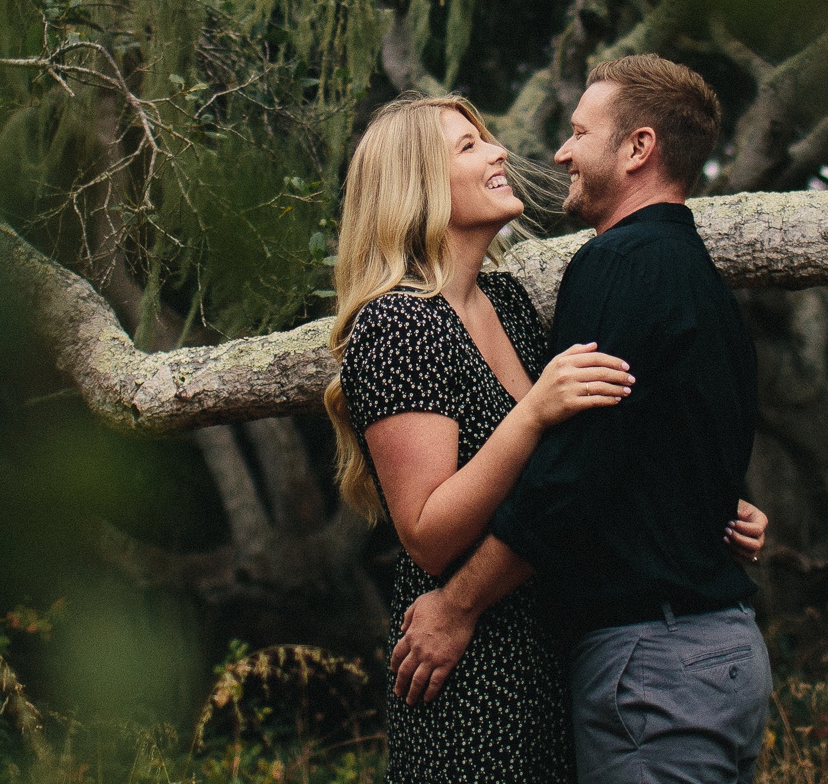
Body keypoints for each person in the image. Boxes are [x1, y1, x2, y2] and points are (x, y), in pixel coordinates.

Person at [325, 93, 768, 783]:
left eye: (487, 138)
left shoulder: (509, 306)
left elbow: (596, 447)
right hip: (473, 670)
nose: (500, 151)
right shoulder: (397, 325)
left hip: (559, 648)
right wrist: (530, 413)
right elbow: (426, 532)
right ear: (415, 184)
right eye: (469, 146)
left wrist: (704, 505)